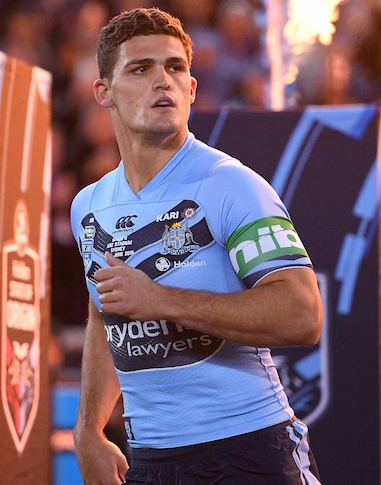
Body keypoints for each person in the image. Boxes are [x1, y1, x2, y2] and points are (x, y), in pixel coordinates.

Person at [69, 7, 323, 484]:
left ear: (191, 89)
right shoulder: (88, 204)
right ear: (104, 92)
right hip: (151, 461)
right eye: (141, 69)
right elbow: (104, 312)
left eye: (175, 68)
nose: (162, 80)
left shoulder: (231, 185)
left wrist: (161, 300)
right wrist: (88, 429)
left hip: (250, 452)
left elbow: (302, 314)